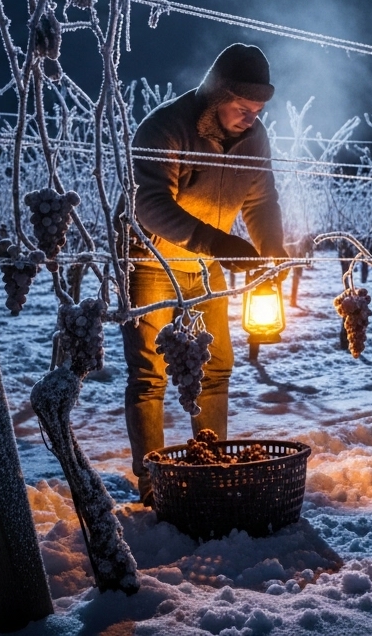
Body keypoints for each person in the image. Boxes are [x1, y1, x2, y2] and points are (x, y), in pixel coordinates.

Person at [121, 43, 286, 503]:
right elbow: (148, 205)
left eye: (258, 109)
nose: (251, 117)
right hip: (149, 260)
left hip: (206, 264)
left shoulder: (255, 139)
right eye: (242, 106)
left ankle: (209, 469)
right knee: (149, 373)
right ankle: (153, 484)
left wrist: (273, 254)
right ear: (217, 94)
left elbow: (260, 200)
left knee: (216, 367)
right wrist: (217, 241)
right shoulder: (165, 128)